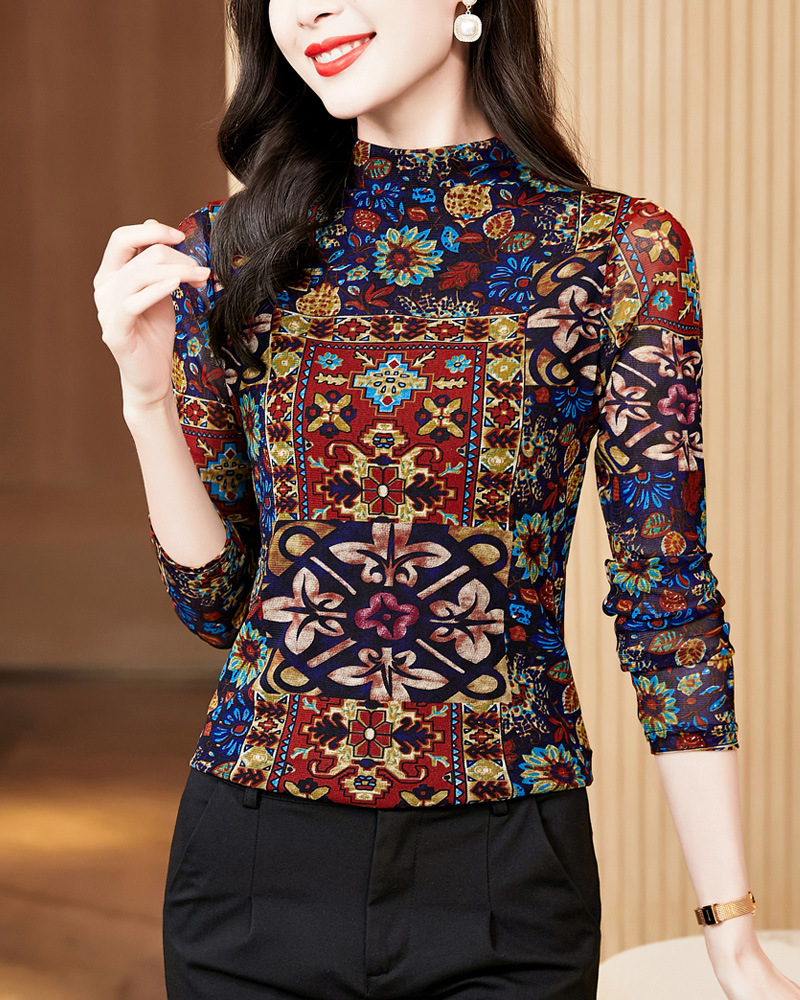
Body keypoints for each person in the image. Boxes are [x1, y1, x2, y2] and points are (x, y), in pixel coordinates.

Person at [93, 1, 800, 998]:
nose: (312, 6)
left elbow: (665, 597)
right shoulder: (229, 253)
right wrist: (146, 400)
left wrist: (731, 931)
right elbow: (216, 604)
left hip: (505, 874)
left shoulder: (617, 254)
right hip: (250, 867)